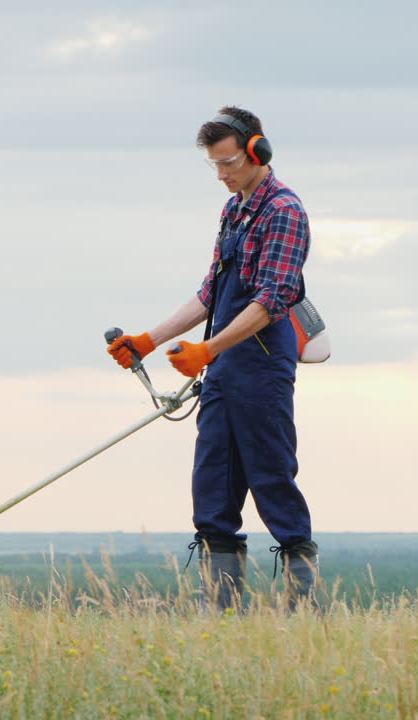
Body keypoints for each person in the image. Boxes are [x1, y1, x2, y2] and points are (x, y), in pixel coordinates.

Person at [107, 106, 318, 611]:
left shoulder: (284, 211)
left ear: (256, 151)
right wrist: (148, 340)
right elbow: (210, 294)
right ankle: (219, 612)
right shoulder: (234, 211)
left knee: (271, 481)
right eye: (214, 166)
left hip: (262, 368)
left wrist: (208, 348)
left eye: (228, 163)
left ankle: (300, 613)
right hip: (223, 370)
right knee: (213, 487)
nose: (221, 175)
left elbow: (273, 299)